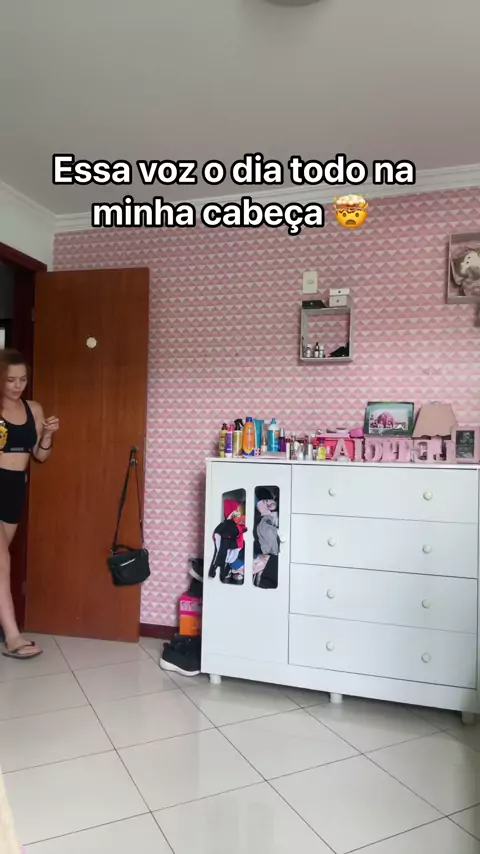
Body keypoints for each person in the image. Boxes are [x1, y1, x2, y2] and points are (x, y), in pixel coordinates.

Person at [0, 349, 59, 659]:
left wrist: (47, 434)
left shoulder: (33, 409)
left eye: (22, 379)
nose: (17, 385)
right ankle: (12, 636)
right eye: (10, 380)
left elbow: (40, 455)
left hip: (13, 488)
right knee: (2, 560)